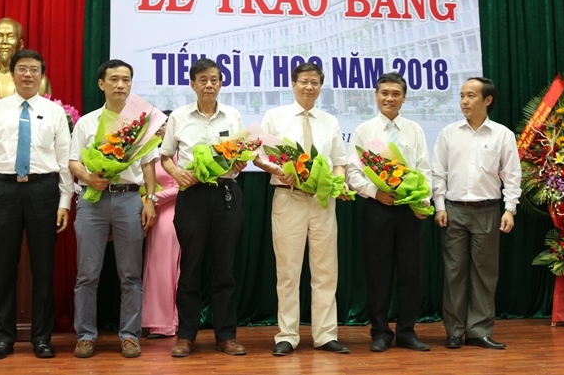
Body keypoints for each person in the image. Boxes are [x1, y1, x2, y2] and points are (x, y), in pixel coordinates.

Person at [0, 49, 73, 360]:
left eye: (34, 70)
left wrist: (65, 201)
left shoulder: (55, 112)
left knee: (43, 267)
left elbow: (65, 160)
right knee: (4, 267)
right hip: (3, 191)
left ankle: (42, 338)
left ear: (42, 75)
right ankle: (2, 338)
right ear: (13, 73)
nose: (28, 74)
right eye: (22, 69)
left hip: (43, 190)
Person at [254, 62, 350, 356]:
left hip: (322, 201)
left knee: (326, 270)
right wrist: (277, 169)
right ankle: (287, 335)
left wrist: (338, 183)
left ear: (321, 87)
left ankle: (325, 334)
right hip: (289, 197)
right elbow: (258, 156)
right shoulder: (275, 116)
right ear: (293, 84)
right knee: (288, 269)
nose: (309, 87)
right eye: (304, 81)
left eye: (315, 82)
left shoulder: (329, 121)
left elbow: (339, 162)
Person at [69, 59, 158, 359]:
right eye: (114, 79)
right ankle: (85, 336)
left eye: (126, 79)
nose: (121, 85)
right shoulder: (87, 122)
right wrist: (89, 178)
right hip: (92, 200)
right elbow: (73, 161)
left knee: (130, 274)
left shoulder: (140, 123)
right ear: (101, 84)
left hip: (129, 199)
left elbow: (149, 165)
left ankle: (130, 336)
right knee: (87, 274)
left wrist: (150, 200)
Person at [160, 58, 247, 358]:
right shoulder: (179, 117)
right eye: (203, 80)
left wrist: (241, 161)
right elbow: (165, 156)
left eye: (214, 79)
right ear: (192, 84)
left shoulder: (233, 116)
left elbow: (242, 154)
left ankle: (226, 336)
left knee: (225, 269)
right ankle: (186, 336)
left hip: (226, 194)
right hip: (192, 195)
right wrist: (177, 173)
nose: (209, 85)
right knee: (191, 267)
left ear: (221, 83)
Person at [432, 77, 521, 350]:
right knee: (454, 272)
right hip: (454, 210)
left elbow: (512, 174)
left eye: (470, 96)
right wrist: (440, 206)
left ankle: (479, 331)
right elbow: (438, 171)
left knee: (485, 273)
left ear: (487, 100)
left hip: (488, 210)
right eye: (462, 96)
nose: (464, 101)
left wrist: (510, 209)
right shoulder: (449, 132)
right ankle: (454, 331)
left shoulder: (502, 135)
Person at [346, 71, 432, 352]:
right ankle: (380, 332)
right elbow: (353, 173)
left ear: (404, 98)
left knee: (411, 272)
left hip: (409, 210)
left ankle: (407, 331)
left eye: (396, 94)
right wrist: (375, 192)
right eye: (384, 93)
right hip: (377, 208)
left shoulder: (414, 130)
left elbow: (424, 169)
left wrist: (423, 202)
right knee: (378, 272)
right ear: (376, 96)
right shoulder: (364, 131)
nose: (389, 98)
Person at [141, 110, 181, 338]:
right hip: (155, 213)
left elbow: (180, 187)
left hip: (171, 213)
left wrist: (152, 198)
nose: (159, 129)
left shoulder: (177, 154)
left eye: (163, 125)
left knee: (164, 267)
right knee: (154, 266)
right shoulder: (151, 152)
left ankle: (165, 323)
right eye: (155, 125)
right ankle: (160, 320)